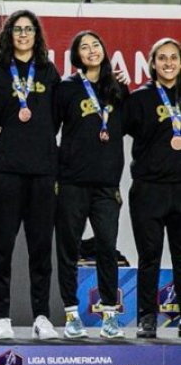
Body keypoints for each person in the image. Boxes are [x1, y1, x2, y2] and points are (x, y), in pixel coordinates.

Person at [0, 10, 60, 340]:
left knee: (41, 248)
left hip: (42, 170)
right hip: (4, 171)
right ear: (8, 34)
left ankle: (41, 317)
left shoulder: (49, 71)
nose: (24, 34)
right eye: (18, 29)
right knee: (2, 247)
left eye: (29, 29)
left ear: (37, 35)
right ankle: (2, 318)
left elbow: (55, 118)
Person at [54, 30, 128, 340]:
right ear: (76, 56)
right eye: (84, 47)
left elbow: (129, 128)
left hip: (106, 185)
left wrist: (126, 88)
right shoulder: (67, 88)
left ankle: (110, 316)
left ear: (104, 50)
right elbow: (49, 129)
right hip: (72, 182)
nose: (91, 50)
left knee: (107, 249)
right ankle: (71, 314)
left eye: (96, 44)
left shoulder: (117, 88)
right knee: (68, 249)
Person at [124, 37, 181, 339]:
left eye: (174, 57)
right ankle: (147, 317)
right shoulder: (140, 98)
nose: (169, 63)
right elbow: (116, 126)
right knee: (150, 256)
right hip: (149, 189)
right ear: (153, 63)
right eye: (162, 58)